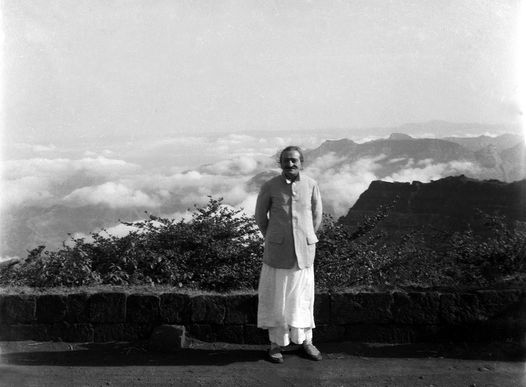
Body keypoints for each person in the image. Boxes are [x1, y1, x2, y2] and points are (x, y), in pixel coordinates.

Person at [255, 145, 323, 363]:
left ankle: (306, 341)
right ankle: (276, 344)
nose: (290, 164)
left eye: (294, 160)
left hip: (304, 252)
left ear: (301, 162)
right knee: (278, 299)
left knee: (302, 299)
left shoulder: (311, 184)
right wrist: (274, 237)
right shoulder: (270, 186)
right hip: (277, 253)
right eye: (286, 160)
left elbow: (316, 215)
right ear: (280, 163)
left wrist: (306, 236)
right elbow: (260, 217)